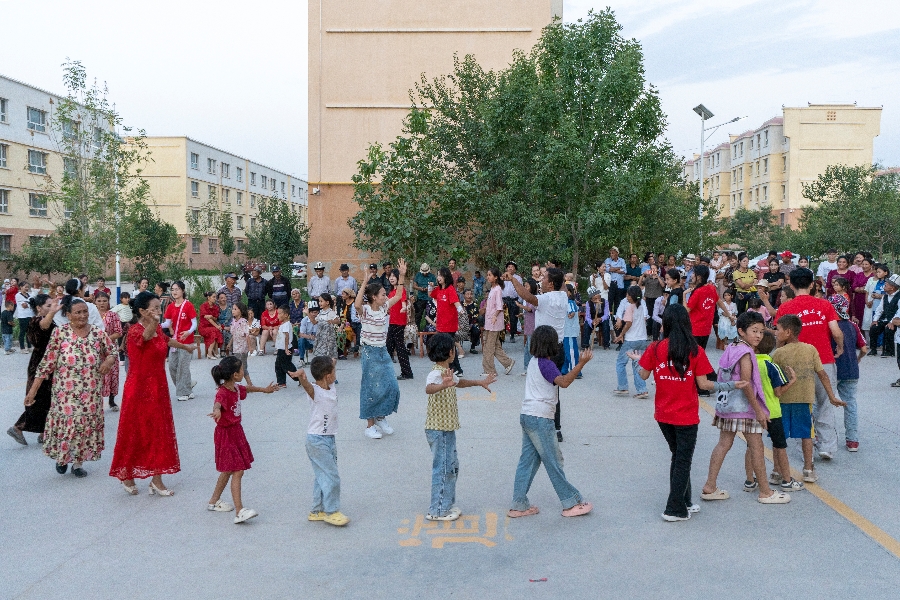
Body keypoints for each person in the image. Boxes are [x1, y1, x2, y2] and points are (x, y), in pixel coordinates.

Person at [630, 304, 745, 521]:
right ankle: (674, 509)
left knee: (679, 457)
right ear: (686, 323)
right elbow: (705, 384)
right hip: (686, 416)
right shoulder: (695, 350)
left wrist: (638, 362)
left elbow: (643, 375)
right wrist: (731, 385)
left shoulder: (655, 348)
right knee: (682, 460)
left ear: (666, 324)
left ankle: (686, 501)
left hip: (663, 415)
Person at [109, 291, 196, 494]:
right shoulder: (134, 331)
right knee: (135, 433)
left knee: (158, 432)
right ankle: (127, 475)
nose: (159, 311)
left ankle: (156, 480)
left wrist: (186, 347)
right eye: (155, 308)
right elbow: (146, 337)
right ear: (142, 311)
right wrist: (154, 321)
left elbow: (166, 340)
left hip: (158, 388)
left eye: (159, 307)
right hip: (138, 389)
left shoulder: (156, 327)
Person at [699, 312, 791, 504]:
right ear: (741, 331)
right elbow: (746, 383)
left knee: (723, 443)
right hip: (745, 407)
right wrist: (758, 410)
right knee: (757, 446)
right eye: (754, 331)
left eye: (761, 331)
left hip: (727, 405)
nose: (758, 335)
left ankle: (710, 486)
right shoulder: (746, 352)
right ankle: (765, 492)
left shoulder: (731, 348)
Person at [507, 325, 594, 518]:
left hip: (528, 415)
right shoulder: (546, 364)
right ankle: (570, 502)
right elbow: (564, 382)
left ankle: (518, 504)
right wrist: (581, 364)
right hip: (541, 418)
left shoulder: (533, 362)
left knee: (527, 462)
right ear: (551, 345)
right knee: (554, 461)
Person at [25, 298, 117, 477]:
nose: (82, 315)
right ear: (68, 315)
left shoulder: (97, 333)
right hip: (65, 393)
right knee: (68, 426)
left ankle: (78, 463)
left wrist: (108, 361)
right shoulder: (60, 333)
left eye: (85, 311)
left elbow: (112, 351)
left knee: (84, 427)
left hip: (90, 393)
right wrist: (33, 390)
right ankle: (62, 458)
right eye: (78, 312)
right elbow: (47, 363)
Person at [421, 334, 496, 521]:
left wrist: (479, 382)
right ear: (450, 352)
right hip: (438, 430)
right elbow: (429, 388)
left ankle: (446, 503)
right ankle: (438, 510)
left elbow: (458, 382)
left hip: (447, 429)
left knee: (452, 466)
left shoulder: (447, 372)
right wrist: (442, 385)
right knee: (444, 468)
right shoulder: (436, 373)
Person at [775, 268, 845, 459]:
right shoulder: (825, 304)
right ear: (812, 284)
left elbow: (780, 337)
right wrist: (840, 347)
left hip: (795, 363)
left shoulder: (785, 308)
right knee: (826, 403)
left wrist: (778, 355)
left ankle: (805, 450)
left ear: (791, 285)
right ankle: (826, 447)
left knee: (801, 405)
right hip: (824, 360)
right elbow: (836, 332)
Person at [772, 314, 845, 483]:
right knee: (806, 434)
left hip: (782, 401)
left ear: (788, 332)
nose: (776, 332)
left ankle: (776, 471)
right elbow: (823, 374)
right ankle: (808, 469)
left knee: (778, 437)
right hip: (804, 400)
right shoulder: (810, 349)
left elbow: (772, 378)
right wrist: (831, 396)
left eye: (778, 329)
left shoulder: (778, 353)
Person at [206, 356, 277, 524]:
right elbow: (218, 403)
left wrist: (264, 390)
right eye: (242, 369)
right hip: (226, 434)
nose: (244, 372)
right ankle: (240, 511)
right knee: (238, 470)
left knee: (228, 470)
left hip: (236, 432)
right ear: (235, 374)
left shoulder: (236, 388)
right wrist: (217, 411)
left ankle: (213, 501)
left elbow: (248, 389)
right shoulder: (223, 392)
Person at [506, 267, 569, 442]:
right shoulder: (563, 296)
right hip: (559, 349)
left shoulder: (545, 299)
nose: (541, 279)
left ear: (551, 284)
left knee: (541, 391)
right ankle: (556, 428)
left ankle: (546, 426)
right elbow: (562, 285)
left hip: (545, 352)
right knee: (554, 390)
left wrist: (513, 279)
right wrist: (556, 271)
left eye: (545, 277)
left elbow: (526, 296)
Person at [742, 329, 804, 493]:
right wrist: (792, 381)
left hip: (753, 411)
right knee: (780, 446)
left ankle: (749, 480)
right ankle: (787, 480)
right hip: (772, 412)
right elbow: (778, 392)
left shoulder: (749, 363)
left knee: (752, 446)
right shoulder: (771, 365)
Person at [293, 357, 349, 526]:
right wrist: (302, 377)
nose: (335, 373)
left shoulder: (331, 387)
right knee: (332, 477)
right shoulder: (316, 392)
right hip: (317, 440)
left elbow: (331, 363)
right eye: (334, 371)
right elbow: (308, 387)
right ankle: (331, 511)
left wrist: (332, 361)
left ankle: (317, 511)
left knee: (322, 475)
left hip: (329, 438)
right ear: (327, 376)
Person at [355, 260, 407, 439]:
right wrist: (364, 281)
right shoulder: (365, 310)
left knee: (391, 385)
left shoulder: (385, 307)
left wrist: (402, 275)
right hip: (369, 352)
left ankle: (380, 416)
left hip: (382, 351)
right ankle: (369, 426)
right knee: (371, 388)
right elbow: (357, 304)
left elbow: (399, 295)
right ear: (374, 297)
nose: (386, 296)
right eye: (383, 294)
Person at [7, 295, 59, 445]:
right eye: (48, 306)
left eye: (52, 305)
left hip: (49, 361)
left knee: (49, 398)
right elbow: (44, 326)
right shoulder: (36, 321)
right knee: (38, 399)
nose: (52, 308)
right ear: (39, 308)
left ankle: (44, 433)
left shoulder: (48, 319)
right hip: (40, 363)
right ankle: (18, 427)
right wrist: (52, 312)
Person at [828, 295, 868, 450]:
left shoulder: (829, 326)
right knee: (850, 403)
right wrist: (857, 359)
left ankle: (823, 438)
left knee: (824, 403)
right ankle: (852, 440)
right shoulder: (853, 325)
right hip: (851, 369)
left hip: (833, 368)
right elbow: (864, 349)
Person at [161, 281, 197, 402]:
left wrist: (189, 332)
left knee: (183, 367)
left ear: (183, 290)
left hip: (187, 341)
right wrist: (156, 325)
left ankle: (184, 392)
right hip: (175, 342)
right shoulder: (171, 307)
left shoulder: (188, 305)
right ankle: (187, 387)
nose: (174, 292)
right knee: (172, 366)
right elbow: (167, 323)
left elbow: (194, 323)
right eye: (172, 290)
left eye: (177, 289)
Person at [612, 286, 650, 399]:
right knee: (638, 363)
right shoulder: (641, 306)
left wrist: (621, 335)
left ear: (632, 296)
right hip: (642, 339)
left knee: (620, 363)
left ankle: (622, 387)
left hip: (631, 339)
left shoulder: (630, 307)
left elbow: (628, 323)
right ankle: (642, 389)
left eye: (628, 295)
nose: (626, 297)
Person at [686, 265, 733, 351]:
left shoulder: (697, 292)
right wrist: (729, 315)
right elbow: (719, 302)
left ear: (699, 277)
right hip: (706, 329)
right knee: (701, 352)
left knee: (693, 354)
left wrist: (684, 294)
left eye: (693, 273)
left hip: (695, 328)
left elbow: (687, 310)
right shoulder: (711, 288)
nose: (691, 275)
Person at [482, 267, 515, 377]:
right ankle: (508, 362)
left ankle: (490, 370)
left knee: (489, 346)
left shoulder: (497, 290)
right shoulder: (492, 289)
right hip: (489, 321)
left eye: (490, 275)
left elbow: (499, 307)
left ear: (496, 277)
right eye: (487, 275)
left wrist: (494, 316)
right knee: (495, 346)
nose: (488, 277)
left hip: (494, 322)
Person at [431, 267, 465, 375]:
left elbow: (456, 302)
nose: (438, 277)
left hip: (449, 324)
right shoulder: (438, 289)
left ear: (446, 276)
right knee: (449, 347)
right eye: (438, 275)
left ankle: (454, 369)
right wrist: (430, 287)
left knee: (448, 347)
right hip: (440, 324)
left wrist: (461, 311)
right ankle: (456, 369)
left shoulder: (450, 289)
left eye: (440, 275)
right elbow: (430, 295)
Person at [95, 292, 123, 411]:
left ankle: (112, 401)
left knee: (113, 375)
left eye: (104, 301)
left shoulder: (113, 315)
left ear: (108, 302)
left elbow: (119, 332)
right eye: (99, 301)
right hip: (95, 350)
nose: (102, 303)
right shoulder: (91, 314)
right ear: (95, 301)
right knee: (97, 375)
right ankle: (96, 402)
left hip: (110, 350)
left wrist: (105, 340)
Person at [386, 271, 413, 380]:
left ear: (398, 278)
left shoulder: (401, 290)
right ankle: (388, 372)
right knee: (389, 346)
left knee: (399, 347)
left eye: (394, 276)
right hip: (392, 322)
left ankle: (407, 373)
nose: (391, 278)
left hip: (398, 322)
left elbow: (403, 302)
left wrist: (404, 307)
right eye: (390, 276)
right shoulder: (391, 292)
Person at [870, 274, 899, 358]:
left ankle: (889, 351)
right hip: (884, 319)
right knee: (874, 328)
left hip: (895, 321)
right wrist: (875, 320)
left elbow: (899, 312)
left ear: (892, 287)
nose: (884, 285)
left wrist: (892, 322)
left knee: (888, 328)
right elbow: (879, 309)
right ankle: (873, 349)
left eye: (887, 284)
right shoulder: (885, 296)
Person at [230, 302, 254, 387]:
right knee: (237, 366)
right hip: (236, 347)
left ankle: (249, 384)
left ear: (241, 311)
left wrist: (250, 347)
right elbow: (234, 334)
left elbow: (247, 335)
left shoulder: (243, 322)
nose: (233, 311)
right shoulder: (233, 321)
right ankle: (235, 384)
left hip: (242, 348)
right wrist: (229, 344)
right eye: (233, 309)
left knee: (241, 367)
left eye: (235, 309)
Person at [274, 305, 298, 388]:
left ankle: (299, 377)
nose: (278, 315)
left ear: (286, 315)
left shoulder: (286, 325)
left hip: (285, 349)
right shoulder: (283, 324)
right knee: (278, 365)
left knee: (287, 365)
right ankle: (281, 382)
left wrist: (286, 349)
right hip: (281, 349)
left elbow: (287, 337)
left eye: (280, 313)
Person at [562, 284, 581, 377]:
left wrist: (570, 314)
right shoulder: (569, 302)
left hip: (569, 331)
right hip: (566, 331)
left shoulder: (569, 302)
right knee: (566, 350)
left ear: (569, 292)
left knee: (571, 350)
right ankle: (564, 369)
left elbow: (571, 313)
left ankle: (575, 370)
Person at [312, 293, 339, 360]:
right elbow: (314, 322)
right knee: (320, 353)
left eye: (321, 301)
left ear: (327, 302)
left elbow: (338, 321)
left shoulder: (330, 312)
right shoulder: (320, 313)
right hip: (320, 336)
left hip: (328, 337)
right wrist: (308, 314)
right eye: (319, 301)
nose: (320, 303)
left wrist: (331, 321)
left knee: (328, 353)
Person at [519, 282, 538, 373]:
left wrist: (520, 305)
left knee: (531, 347)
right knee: (527, 347)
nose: (525, 288)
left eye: (527, 286)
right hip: (528, 325)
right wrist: (522, 314)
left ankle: (532, 367)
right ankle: (527, 367)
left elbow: (530, 309)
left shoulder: (533, 298)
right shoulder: (527, 298)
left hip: (532, 326)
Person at [412, 263, 437, 332]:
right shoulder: (418, 275)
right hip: (420, 298)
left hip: (429, 299)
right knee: (418, 315)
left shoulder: (432, 276)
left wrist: (430, 287)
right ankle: (417, 330)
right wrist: (420, 288)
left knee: (429, 315)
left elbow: (436, 286)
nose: (425, 273)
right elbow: (414, 286)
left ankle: (427, 331)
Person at [501, 261, 522, 342]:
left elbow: (520, 289)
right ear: (506, 268)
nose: (510, 268)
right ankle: (502, 335)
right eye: (509, 267)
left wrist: (519, 301)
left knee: (513, 318)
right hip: (504, 300)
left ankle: (512, 335)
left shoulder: (518, 278)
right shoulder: (502, 277)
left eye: (512, 267)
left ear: (515, 269)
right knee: (502, 318)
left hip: (514, 300)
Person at [199, 292, 223, 360]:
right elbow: (207, 318)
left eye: (216, 297)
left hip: (212, 326)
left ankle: (212, 352)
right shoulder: (203, 306)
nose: (215, 299)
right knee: (215, 330)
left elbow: (215, 318)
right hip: (203, 327)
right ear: (208, 297)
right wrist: (217, 326)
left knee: (215, 331)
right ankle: (212, 352)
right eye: (213, 297)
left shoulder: (216, 307)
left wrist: (212, 316)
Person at [604, 247, 627, 315]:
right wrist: (619, 268)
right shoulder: (607, 260)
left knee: (618, 303)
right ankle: (609, 318)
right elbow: (608, 269)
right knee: (609, 302)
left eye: (613, 253)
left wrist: (613, 268)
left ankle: (616, 319)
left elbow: (624, 271)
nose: (611, 254)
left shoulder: (622, 260)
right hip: (611, 284)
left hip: (619, 284)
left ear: (617, 253)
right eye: (610, 253)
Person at [14, 282, 34, 353]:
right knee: (22, 332)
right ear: (21, 287)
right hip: (23, 316)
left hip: (30, 315)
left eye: (28, 287)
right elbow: (24, 305)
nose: (27, 288)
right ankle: (22, 348)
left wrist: (29, 303)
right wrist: (30, 303)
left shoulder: (29, 295)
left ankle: (29, 347)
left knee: (29, 332)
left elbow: (32, 303)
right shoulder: (18, 295)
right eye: (25, 287)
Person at [297, 301, 318, 365]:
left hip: (318, 341)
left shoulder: (320, 319)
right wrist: (309, 337)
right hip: (308, 342)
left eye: (315, 312)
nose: (314, 314)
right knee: (301, 340)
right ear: (309, 312)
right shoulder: (304, 320)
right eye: (312, 312)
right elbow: (301, 334)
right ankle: (301, 359)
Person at [463, 289, 481, 355]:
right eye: (467, 294)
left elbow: (475, 316)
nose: (469, 296)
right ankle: (458, 348)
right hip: (462, 323)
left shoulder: (475, 304)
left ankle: (473, 347)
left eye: (470, 294)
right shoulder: (460, 304)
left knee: (476, 330)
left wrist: (470, 325)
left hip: (472, 323)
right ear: (464, 295)